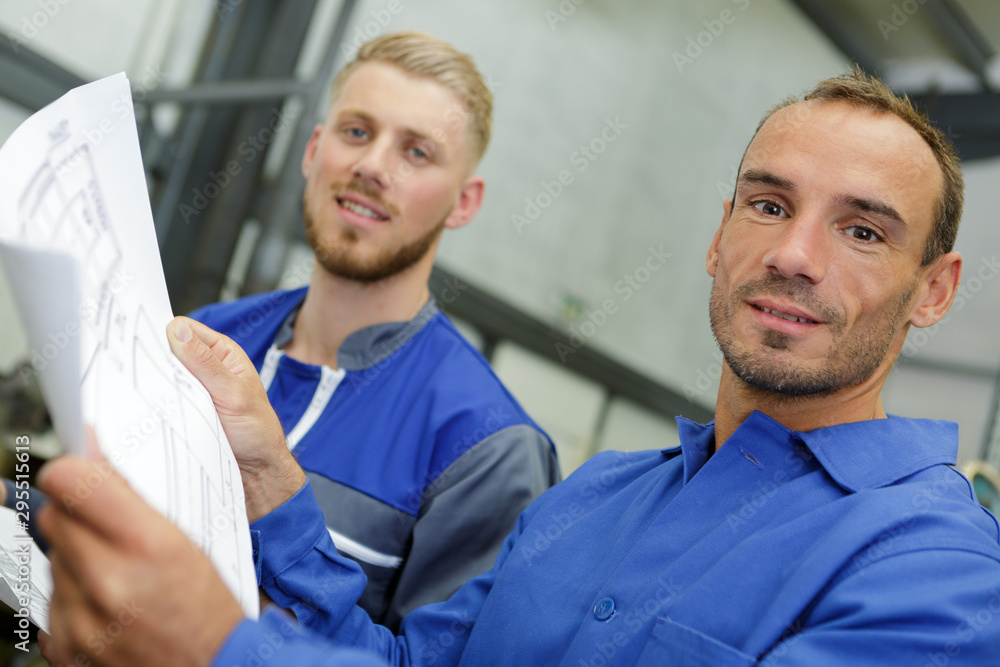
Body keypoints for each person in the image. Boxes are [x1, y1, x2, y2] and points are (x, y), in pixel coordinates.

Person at [38, 69, 1000, 665]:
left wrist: (223, 651)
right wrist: (272, 486)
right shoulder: (596, 497)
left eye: (863, 230)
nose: (794, 254)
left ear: (935, 290)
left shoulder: (941, 577)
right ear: (718, 237)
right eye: (768, 205)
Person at [187, 31, 559, 629]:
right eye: (357, 132)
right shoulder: (208, 339)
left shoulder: (491, 450)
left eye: (417, 152)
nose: (371, 167)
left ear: (464, 203)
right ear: (314, 150)